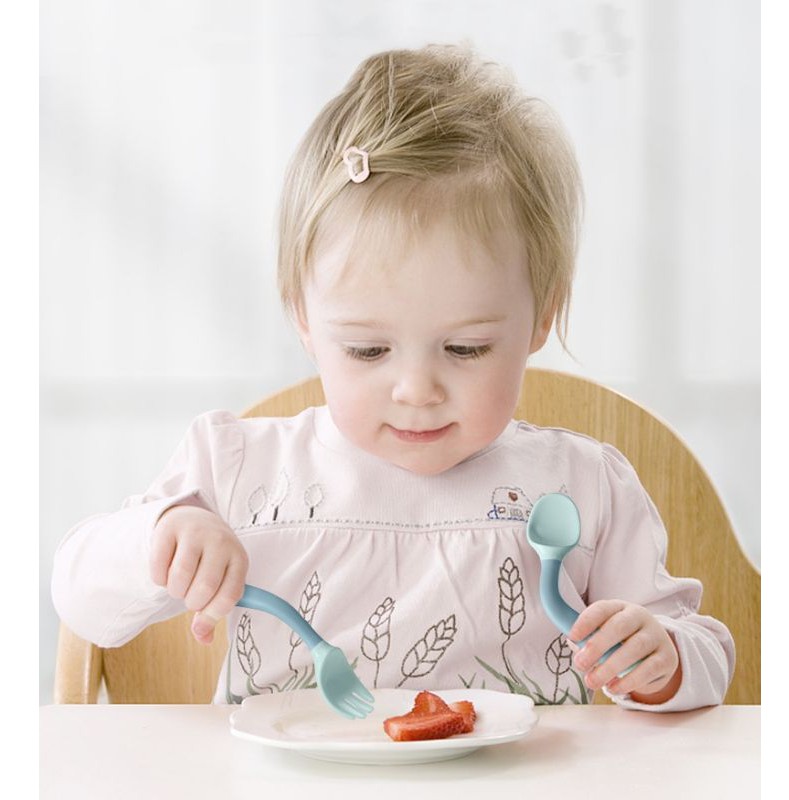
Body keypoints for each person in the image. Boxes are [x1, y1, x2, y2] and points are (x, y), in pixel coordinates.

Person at [51, 44, 734, 710]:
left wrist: (665, 660)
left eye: (465, 349)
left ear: (540, 318)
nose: (416, 389)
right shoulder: (236, 469)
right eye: (369, 351)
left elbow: (706, 653)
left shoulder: (580, 489)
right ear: (304, 319)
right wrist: (160, 539)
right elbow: (80, 595)